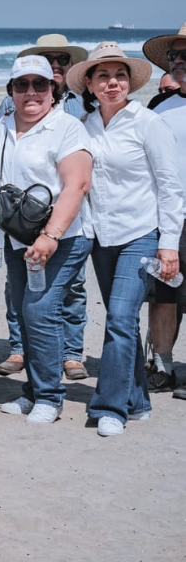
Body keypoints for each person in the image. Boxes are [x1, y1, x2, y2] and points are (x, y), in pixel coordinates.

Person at [68, 43, 181, 436]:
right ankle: (137, 401)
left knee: (118, 318)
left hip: (141, 234)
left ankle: (109, 407)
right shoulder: (83, 125)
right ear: (90, 84)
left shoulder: (147, 122)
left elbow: (170, 186)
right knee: (124, 322)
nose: (112, 83)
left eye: (119, 76)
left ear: (129, 82)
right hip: (101, 237)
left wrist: (168, 242)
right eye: (103, 76)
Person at [0, 55, 93, 425]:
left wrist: (50, 235)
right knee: (25, 313)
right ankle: (31, 392)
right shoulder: (5, 126)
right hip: (16, 239)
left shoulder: (68, 128)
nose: (31, 91)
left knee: (40, 312)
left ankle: (49, 396)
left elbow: (77, 185)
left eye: (40, 84)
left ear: (53, 88)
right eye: (21, 84)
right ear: (10, 91)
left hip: (63, 238)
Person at [143, 24, 186, 394]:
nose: (180, 61)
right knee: (163, 295)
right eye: (175, 56)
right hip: (168, 218)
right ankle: (163, 366)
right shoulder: (158, 109)